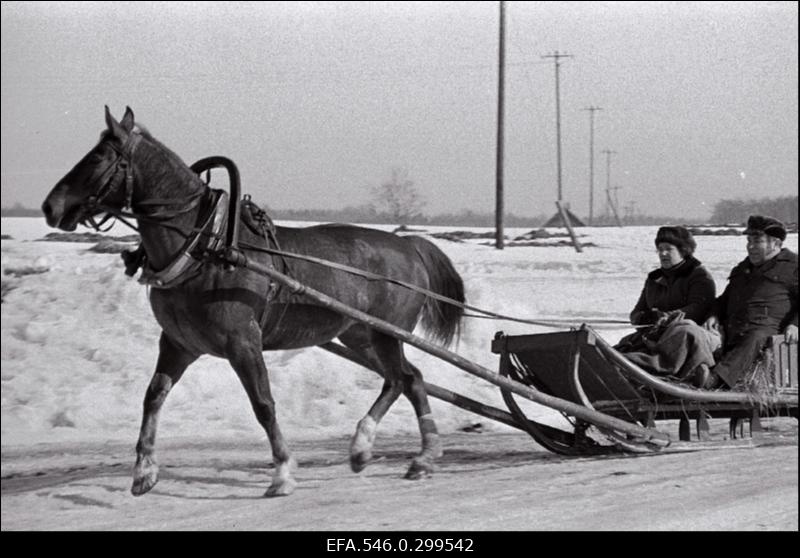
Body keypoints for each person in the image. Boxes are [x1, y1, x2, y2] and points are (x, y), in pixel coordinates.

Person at [700, 215, 798, 389]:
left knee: (756, 337)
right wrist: (714, 315)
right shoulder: (742, 269)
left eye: (757, 241)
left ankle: (715, 380)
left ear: (775, 243)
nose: (750, 246)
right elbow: (724, 299)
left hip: (767, 332)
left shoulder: (793, 267)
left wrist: (795, 325)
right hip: (734, 330)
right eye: (748, 240)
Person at [616, 226, 718, 381]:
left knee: (684, 330)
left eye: (668, 249)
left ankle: (650, 368)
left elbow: (698, 309)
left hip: (688, 336)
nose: (663, 254)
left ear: (683, 250)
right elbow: (636, 312)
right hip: (655, 335)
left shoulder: (700, 276)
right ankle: (618, 363)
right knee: (626, 344)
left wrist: (666, 317)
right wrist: (645, 317)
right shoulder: (654, 279)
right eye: (660, 249)